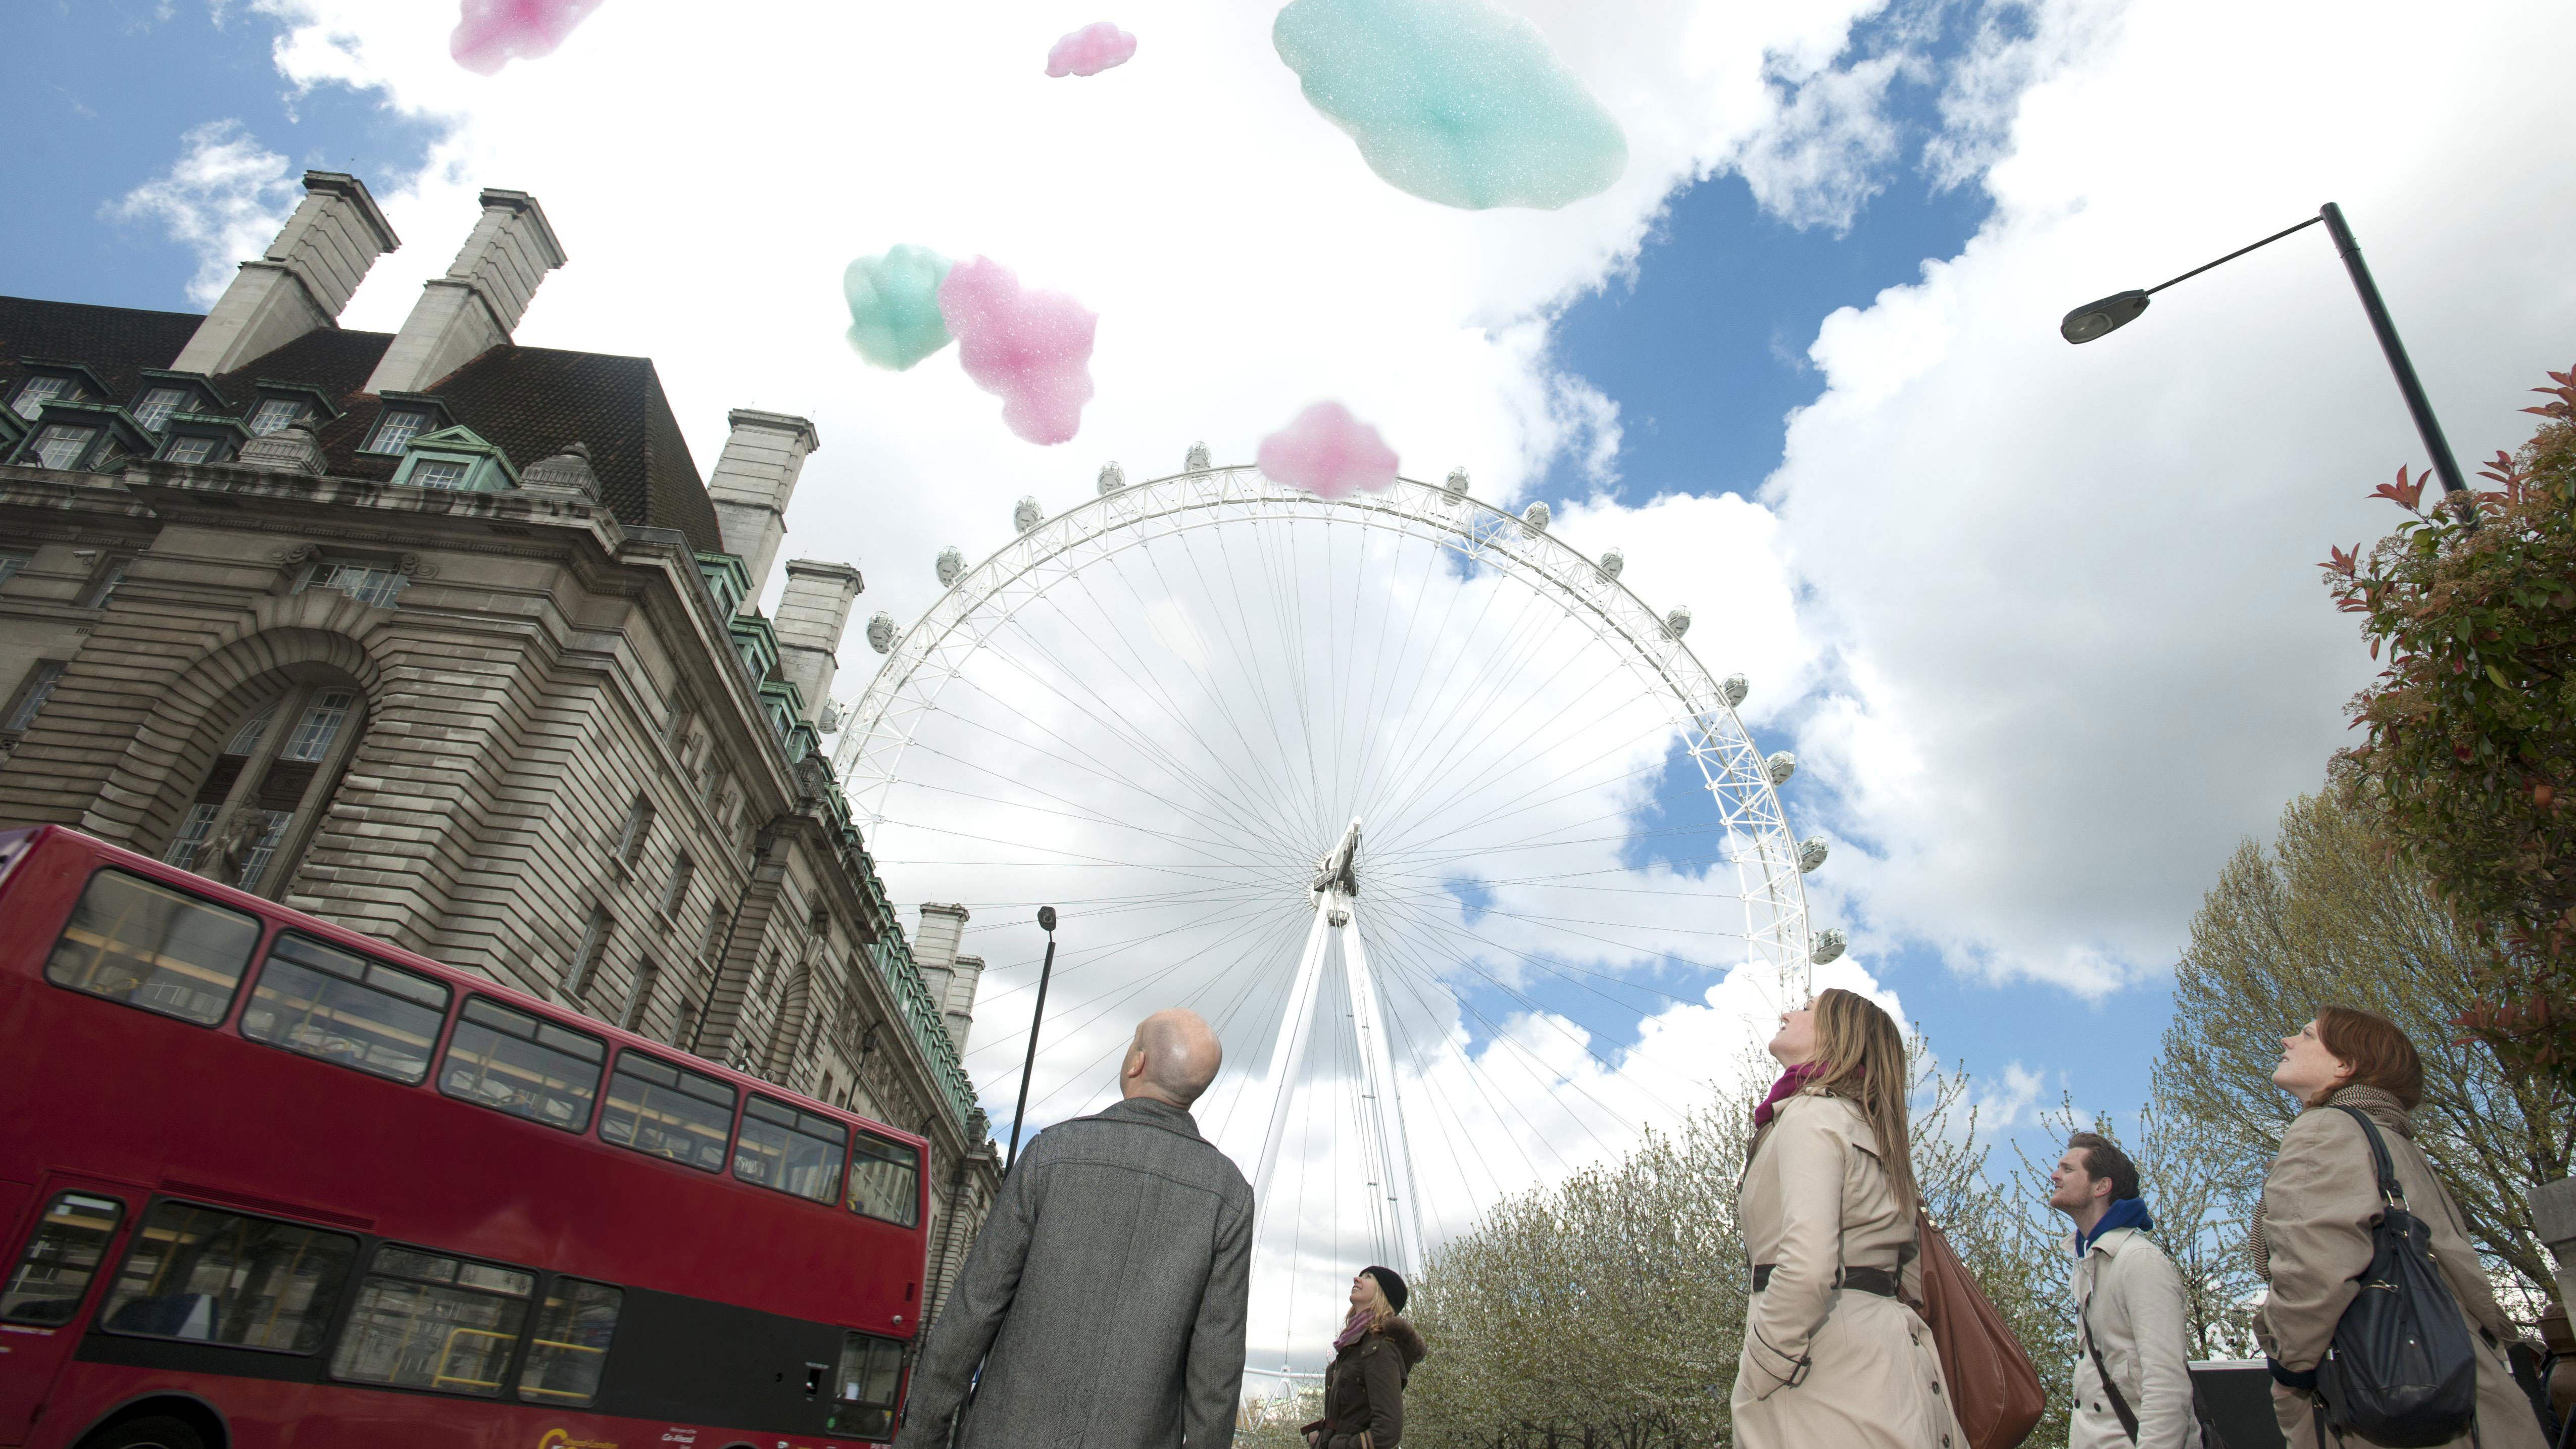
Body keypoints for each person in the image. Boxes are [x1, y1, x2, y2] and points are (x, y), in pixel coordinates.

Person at [894, 1009, 1253, 1449]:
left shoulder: (1052, 1154)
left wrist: (921, 1436)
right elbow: (1216, 1372)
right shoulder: (1230, 1196)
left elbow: (972, 1311)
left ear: (1135, 1063)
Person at [2253, 1007, 2545, 1449]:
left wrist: (2289, 1369)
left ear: (2345, 1065)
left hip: (2378, 1397)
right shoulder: (2400, 1146)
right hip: (2461, 1388)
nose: (2287, 1041)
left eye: (2308, 1034)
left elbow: (2312, 1267)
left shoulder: (2326, 1128)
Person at [1732, 987, 1967, 1449]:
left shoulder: (1809, 1116)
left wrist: (1764, 1362)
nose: (1787, 1012)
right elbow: (1916, 1281)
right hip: (1893, 1365)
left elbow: (1806, 1266)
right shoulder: (1878, 1134)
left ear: (1837, 1036)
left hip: (1821, 1373)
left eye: (1806, 1008)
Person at [2050, 1130, 2196, 1448]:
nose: (2055, 1175)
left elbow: (2168, 1382)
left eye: (2068, 1169)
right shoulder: (2087, 1263)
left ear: (2102, 1186)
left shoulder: (2139, 1262)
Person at [1302, 1266, 1426, 1449]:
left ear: (1383, 1294)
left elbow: (1388, 1431)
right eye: (1360, 1276)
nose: (1357, 1279)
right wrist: (1320, 1439)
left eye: (1368, 1277)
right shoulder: (1354, 1348)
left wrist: (1337, 1445)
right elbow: (1350, 1420)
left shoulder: (1380, 1348)